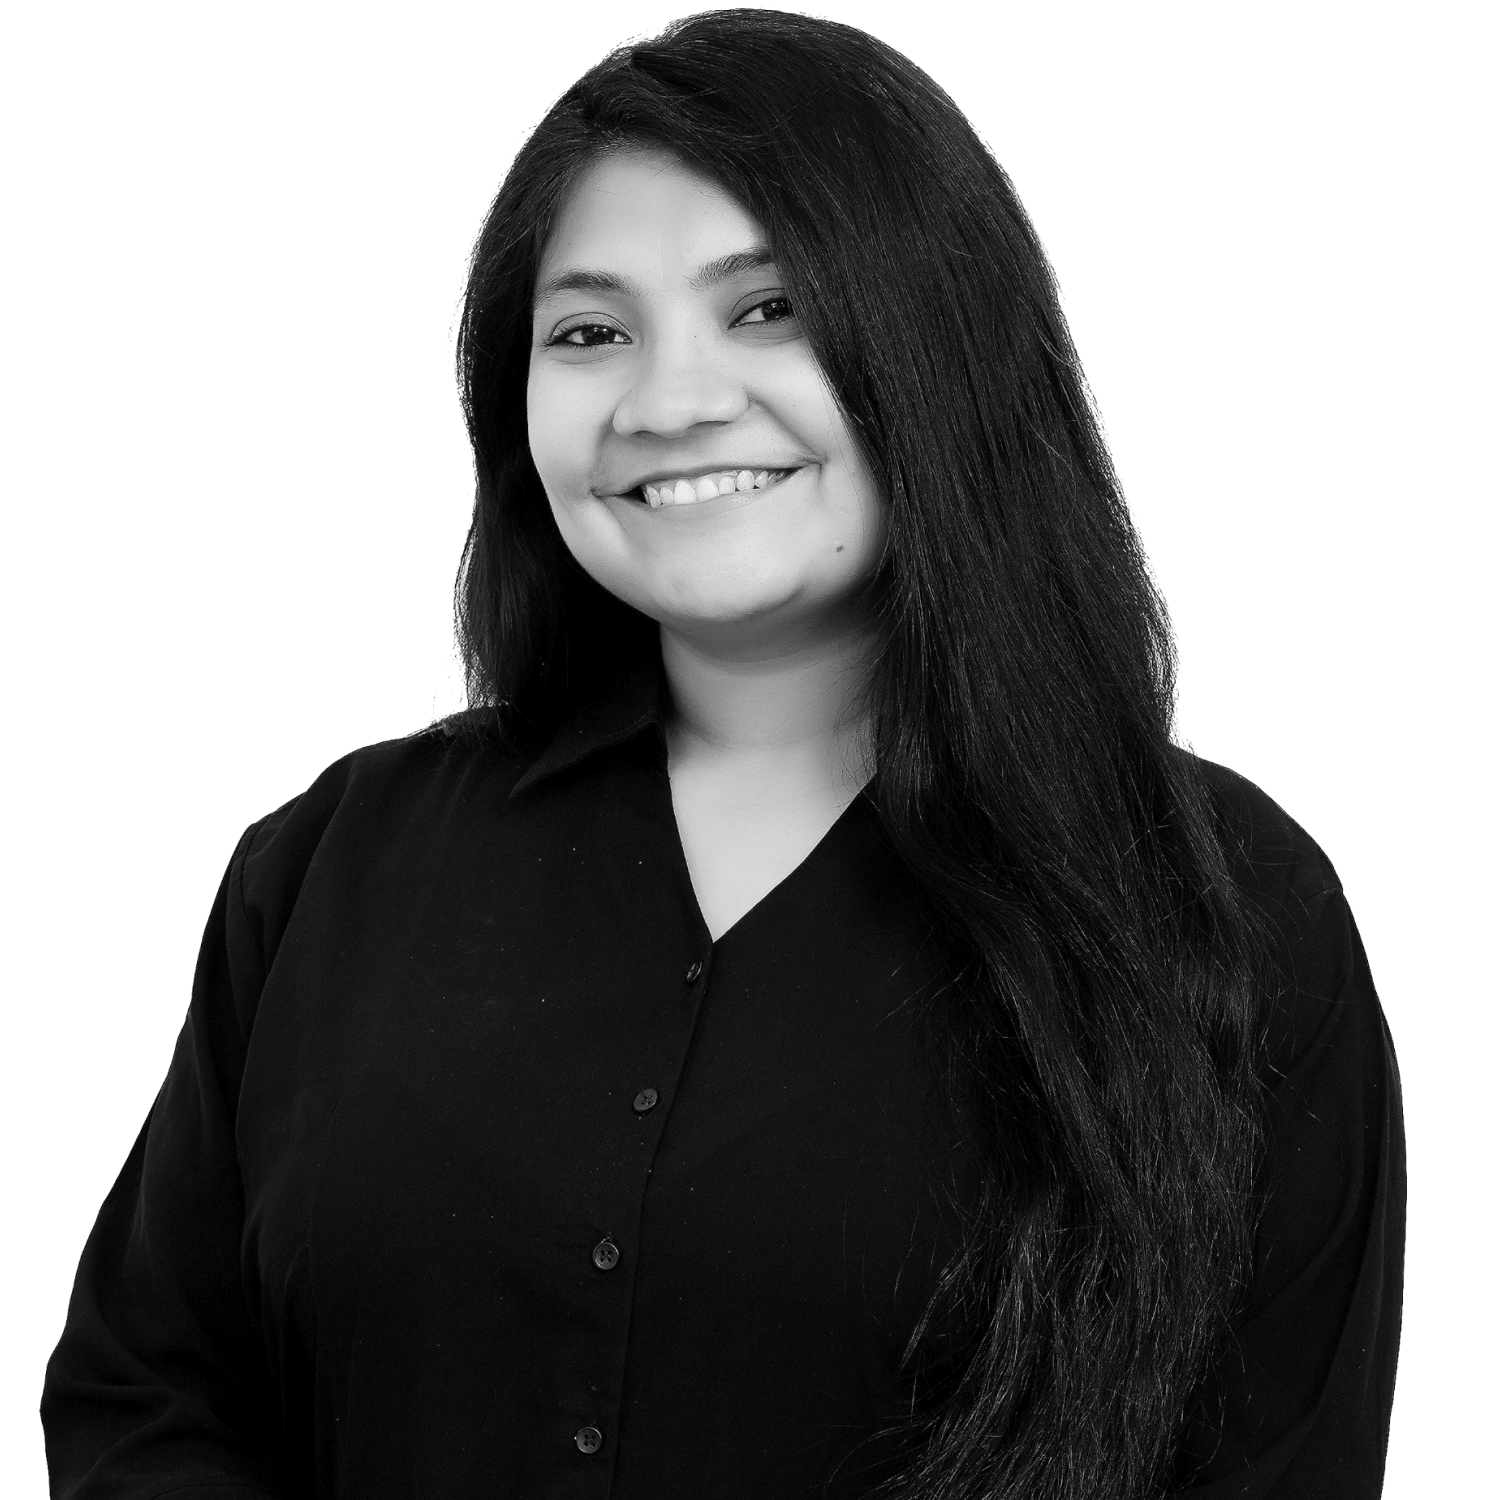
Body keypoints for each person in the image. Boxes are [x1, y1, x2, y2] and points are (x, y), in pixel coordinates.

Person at [40, 11, 1405, 1498]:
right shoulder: (332, 863)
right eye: (590, 332)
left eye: (768, 309)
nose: (672, 401)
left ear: (943, 347)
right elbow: (145, 1396)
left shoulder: (1228, 904)